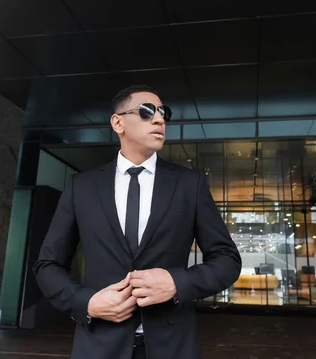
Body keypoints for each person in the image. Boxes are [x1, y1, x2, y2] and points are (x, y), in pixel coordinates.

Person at [33, 85, 242, 359]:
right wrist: (87, 302)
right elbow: (47, 265)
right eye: (146, 112)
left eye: (162, 112)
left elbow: (227, 259)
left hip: (172, 346)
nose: (159, 119)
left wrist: (177, 282)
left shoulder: (189, 184)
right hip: (98, 346)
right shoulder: (81, 187)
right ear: (117, 122)